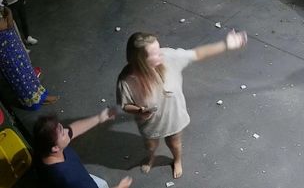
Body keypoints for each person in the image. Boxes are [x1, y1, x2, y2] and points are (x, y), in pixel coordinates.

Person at [116, 30, 247, 178]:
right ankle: (151, 158)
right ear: (140, 60)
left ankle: (177, 160)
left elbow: (197, 53)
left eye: (159, 49)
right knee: (150, 146)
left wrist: (225, 45)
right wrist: (139, 111)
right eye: (155, 53)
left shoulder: (169, 58)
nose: (161, 54)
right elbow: (125, 105)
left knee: (174, 143)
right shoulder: (126, 80)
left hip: (174, 118)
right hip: (150, 124)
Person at [33, 108, 133, 188]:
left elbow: (72, 130)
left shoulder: (43, 149)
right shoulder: (70, 178)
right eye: (63, 133)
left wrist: (98, 118)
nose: (67, 131)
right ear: (55, 148)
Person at [0, 0, 57, 109]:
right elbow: (6, 25)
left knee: (25, 68)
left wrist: (6, 14)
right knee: (19, 73)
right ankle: (33, 100)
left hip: (10, 42)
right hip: (5, 48)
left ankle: (38, 95)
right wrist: (8, 14)